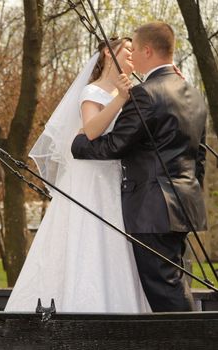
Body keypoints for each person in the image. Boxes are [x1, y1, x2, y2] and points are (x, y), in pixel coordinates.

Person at [5, 37, 150, 313]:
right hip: (89, 179)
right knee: (86, 238)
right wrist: (120, 98)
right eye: (128, 50)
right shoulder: (92, 92)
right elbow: (92, 130)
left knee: (114, 243)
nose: (133, 55)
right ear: (109, 52)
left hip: (114, 177)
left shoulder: (134, 92)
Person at [71, 22, 207, 312]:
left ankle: (189, 341)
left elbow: (116, 144)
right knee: (175, 281)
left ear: (147, 50)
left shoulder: (146, 93)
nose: (134, 58)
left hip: (152, 208)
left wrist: (79, 145)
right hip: (185, 204)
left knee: (165, 290)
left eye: (137, 50)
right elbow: (199, 158)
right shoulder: (195, 95)